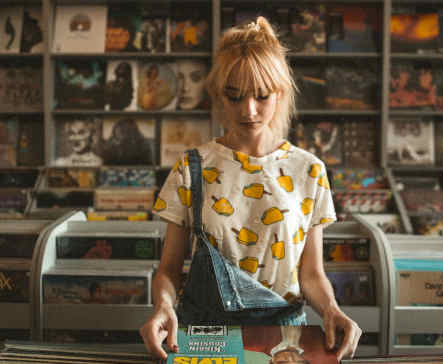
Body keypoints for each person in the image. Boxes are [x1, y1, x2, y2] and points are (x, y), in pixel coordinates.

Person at [139, 16, 361, 361]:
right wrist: (163, 307)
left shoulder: (309, 171)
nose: (249, 110)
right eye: (235, 96)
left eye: (261, 96)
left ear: (281, 92)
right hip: (206, 337)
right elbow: (169, 269)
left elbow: (312, 274)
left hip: (283, 340)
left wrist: (332, 309)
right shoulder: (192, 167)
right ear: (218, 95)